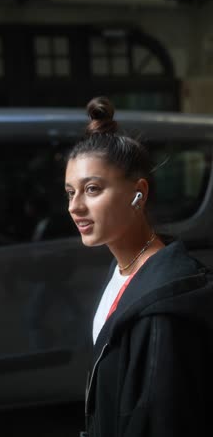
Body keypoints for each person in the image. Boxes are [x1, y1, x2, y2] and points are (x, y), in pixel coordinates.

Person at [64, 96, 213, 437]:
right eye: (70, 192)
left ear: (138, 193)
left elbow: (166, 420)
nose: (75, 206)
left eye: (92, 189)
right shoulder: (124, 269)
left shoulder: (163, 308)